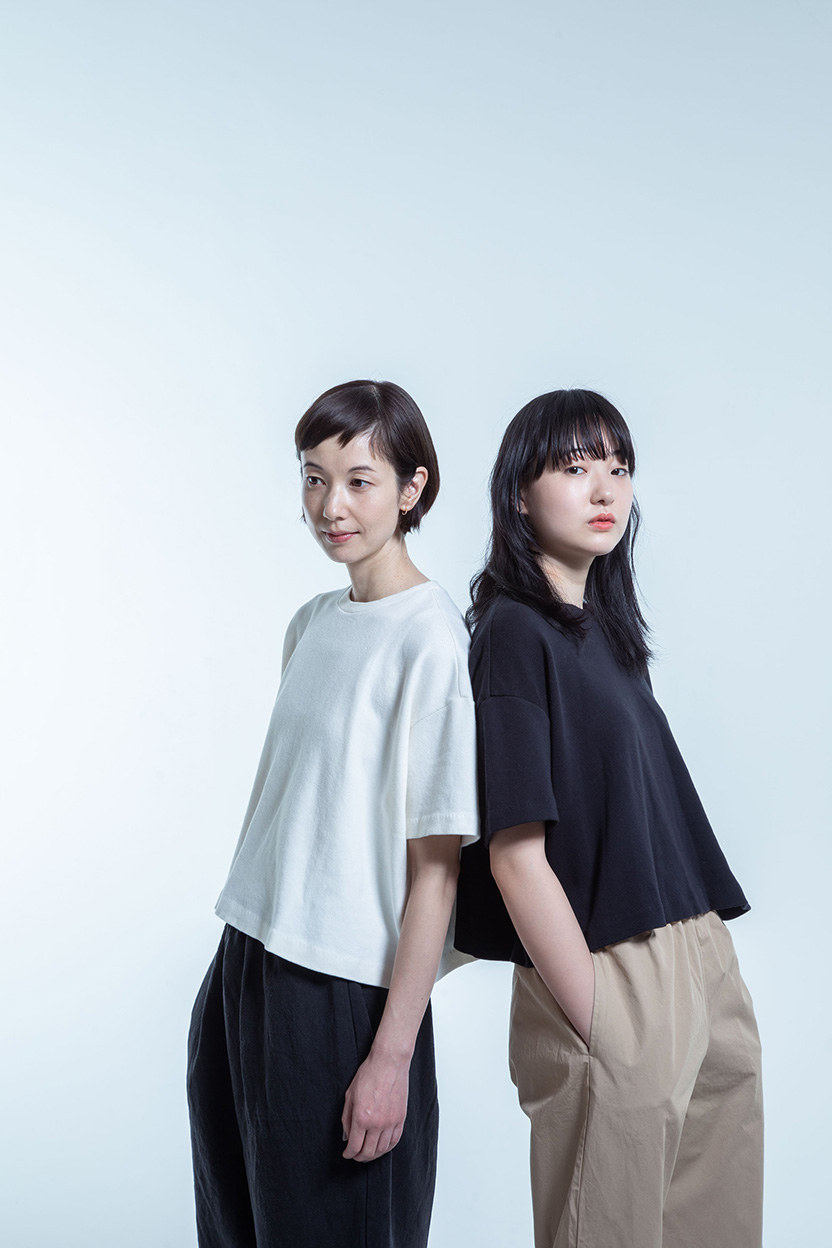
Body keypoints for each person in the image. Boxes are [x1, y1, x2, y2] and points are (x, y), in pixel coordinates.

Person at [454, 388, 763, 1248]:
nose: (606, 490)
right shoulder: (512, 635)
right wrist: (599, 1021)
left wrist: (703, 970)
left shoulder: (610, 634)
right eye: (575, 467)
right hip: (609, 965)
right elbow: (515, 854)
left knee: (717, 1218)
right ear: (520, 494)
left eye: (620, 469)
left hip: (694, 947)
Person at [187, 379, 478, 1248]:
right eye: (313, 478)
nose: (330, 506)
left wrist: (391, 1055)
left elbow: (437, 876)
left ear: (413, 488)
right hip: (247, 961)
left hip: (343, 991)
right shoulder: (312, 623)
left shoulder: (432, 641)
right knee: (237, 1228)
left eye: (359, 481)